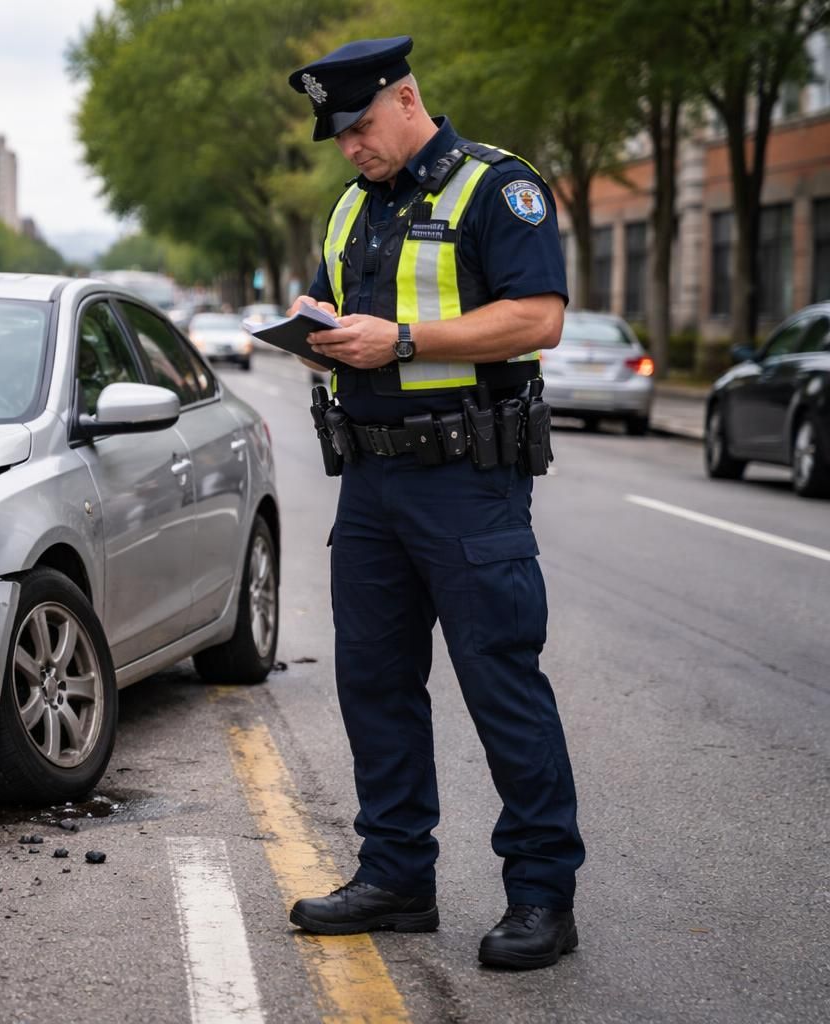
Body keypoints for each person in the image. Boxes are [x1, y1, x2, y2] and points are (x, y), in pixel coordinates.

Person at [281, 36, 585, 971]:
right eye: (338, 136)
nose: (350, 148)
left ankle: (541, 897)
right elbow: (348, 321)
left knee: (500, 682)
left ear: (406, 98)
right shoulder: (350, 208)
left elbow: (539, 317)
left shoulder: (498, 188)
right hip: (371, 483)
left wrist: (403, 341)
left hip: (467, 480)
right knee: (373, 684)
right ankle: (396, 878)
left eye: (361, 127)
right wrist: (319, 335)